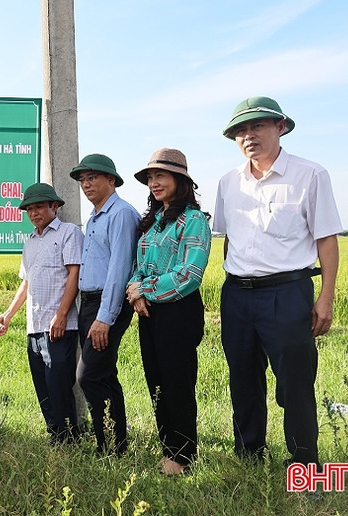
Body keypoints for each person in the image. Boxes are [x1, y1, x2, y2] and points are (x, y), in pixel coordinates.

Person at [214, 96, 342, 466]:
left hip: (288, 294)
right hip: (237, 295)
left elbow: (327, 239)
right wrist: (230, 289)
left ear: (280, 127)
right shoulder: (228, 182)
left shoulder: (310, 175)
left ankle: (304, 464)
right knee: (243, 378)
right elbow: (229, 242)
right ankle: (249, 454)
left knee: (295, 384)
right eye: (241, 130)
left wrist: (326, 298)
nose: (248, 136)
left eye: (257, 126)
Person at [126, 148, 211, 474]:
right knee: (156, 382)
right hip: (149, 313)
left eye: (160, 175)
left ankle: (183, 456)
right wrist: (136, 292)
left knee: (178, 384)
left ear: (180, 179)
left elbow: (189, 274)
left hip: (179, 312)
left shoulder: (193, 221)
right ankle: (169, 450)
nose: (154, 183)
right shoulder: (153, 222)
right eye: (150, 178)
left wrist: (144, 289)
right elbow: (139, 267)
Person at [0, 183, 84, 444]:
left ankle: (70, 438)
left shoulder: (69, 233)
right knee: (42, 386)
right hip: (34, 326)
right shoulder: (30, 241)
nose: (34, 213)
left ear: (54, 207)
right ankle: (55, 435)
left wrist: (62, 314)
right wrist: (8, 315)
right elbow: (27, 282)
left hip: (59, 325)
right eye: (29, 209)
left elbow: (74, 274)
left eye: (40, 207)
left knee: (58, 385)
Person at [69, 153, 140, 455]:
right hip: (89, 304)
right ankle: (116, 444)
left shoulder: (121, 214)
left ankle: (107, 446)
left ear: (111, 180)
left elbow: (119, 269)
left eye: (93, 177)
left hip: (106, 305)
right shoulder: (95, 217)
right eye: (82, 180)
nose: (86, 184)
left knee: (89, 375)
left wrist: (105, 317)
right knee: (105, 375)